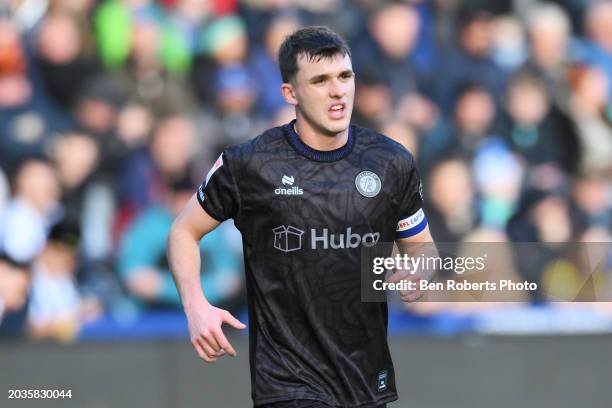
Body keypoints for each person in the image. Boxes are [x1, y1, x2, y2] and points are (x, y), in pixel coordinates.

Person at [168, 26, 435, 408]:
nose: (338, 90)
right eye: (321, 80)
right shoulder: (250, 163)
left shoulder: (390, 161)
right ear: (290, 93)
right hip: (287, 382)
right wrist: (195, 306)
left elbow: (422, 247)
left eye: (344, 76)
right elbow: (183, 231)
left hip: (364, 378)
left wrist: (419, 271)